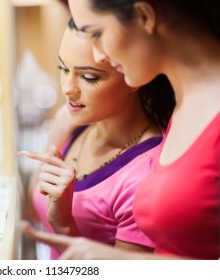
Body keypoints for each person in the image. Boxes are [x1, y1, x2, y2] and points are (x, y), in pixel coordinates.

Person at [23, 0, 220, 260]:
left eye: (97, 34)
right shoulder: (184, 105)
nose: (99, 55)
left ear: (144, 16)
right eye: (63, 68)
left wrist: (109, 259)